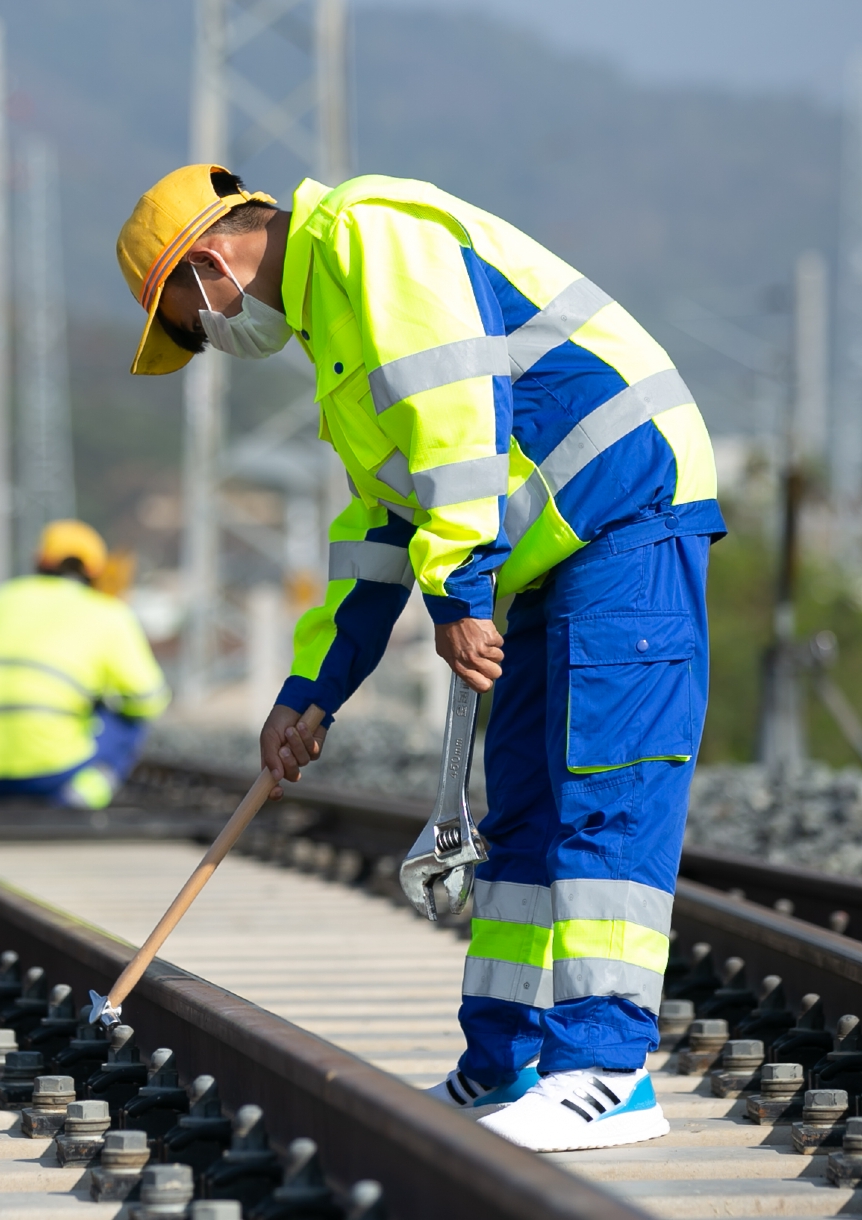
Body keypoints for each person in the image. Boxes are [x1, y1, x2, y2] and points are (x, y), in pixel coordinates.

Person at [115, 166, 721, 1152]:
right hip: (555, 549)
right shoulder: (333, 333)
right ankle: (504, 1064)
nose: (209, 341)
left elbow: (459, 421)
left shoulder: (370, 238)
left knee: (604, 793)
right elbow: (381, 529)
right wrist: (312, 692)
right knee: (524, 808)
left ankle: (607, 1074)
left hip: (628, 512)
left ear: (210, 264)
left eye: (191, 326)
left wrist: (459, 598)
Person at [0, 520, 170, 809]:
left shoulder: (0, 600)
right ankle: (80, 796)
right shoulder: (108, 612)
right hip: (49, 770)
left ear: (40, 561)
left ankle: (1, 790)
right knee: (129, 722)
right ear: (96, 570)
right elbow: (150, 699)